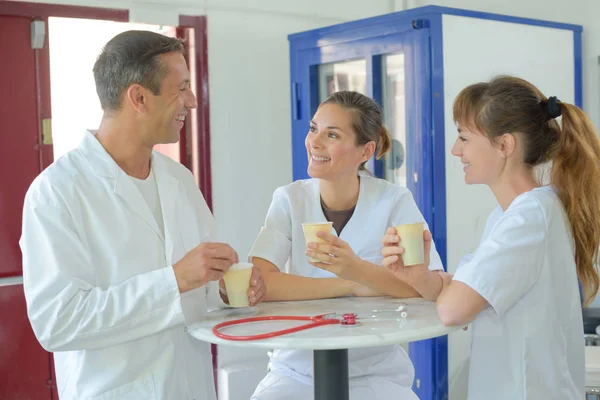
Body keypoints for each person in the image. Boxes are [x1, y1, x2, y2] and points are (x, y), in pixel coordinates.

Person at [19, 30, 265, 400]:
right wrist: (174, 281)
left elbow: (200, 287)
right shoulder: (56, 192)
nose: (193, 101)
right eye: (181, 87)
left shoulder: (179, 180)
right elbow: (58, 322)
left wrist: (226, 291)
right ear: (139, 97)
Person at [382, 76, 600, 399]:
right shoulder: (513, 214)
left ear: (505, 145)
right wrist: (417, 276)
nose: (456, 150)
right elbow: (471, 293)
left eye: (464, 137)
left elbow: (456, 309)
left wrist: (452, 294)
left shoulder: (529, 218)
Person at [248, 91, 444, 400]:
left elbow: (425, 285)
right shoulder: (289, 200)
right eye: (313, 129)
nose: (315, 142)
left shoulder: (393, 201)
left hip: (375, 372)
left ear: (365, 150)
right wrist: (351, 284)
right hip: (297, 369)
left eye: (332, 135)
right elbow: (260, 283)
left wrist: (357, 268)